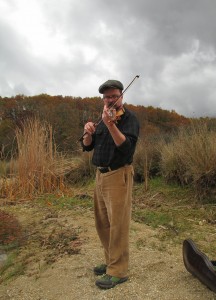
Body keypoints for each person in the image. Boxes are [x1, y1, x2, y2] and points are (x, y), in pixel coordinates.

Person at [81, 79, 139, 289]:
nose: (111, 100)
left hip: (119, 174)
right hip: (100, 175)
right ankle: (110, 262)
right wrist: (88, 132)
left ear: (122, 96)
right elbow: (88, 147)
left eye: (114, 96)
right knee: (102, 223)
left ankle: (118, 271)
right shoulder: (101, 118)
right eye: (107, 97)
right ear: (103, 99)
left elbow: (126, 149)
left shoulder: (129, 119)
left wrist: (111, 125)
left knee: (118, 225)